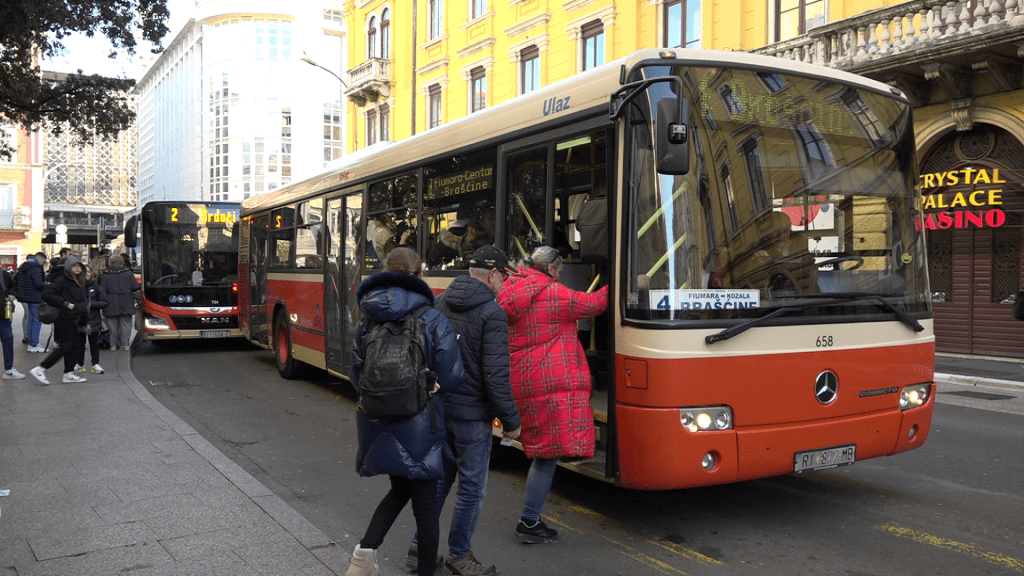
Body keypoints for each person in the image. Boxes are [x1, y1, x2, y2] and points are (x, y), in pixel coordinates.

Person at [346, 247, 465, 576]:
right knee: (426, 508)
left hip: (378, 420)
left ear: (387, 272)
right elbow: (453, 376)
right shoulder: (432, 317)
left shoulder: (368, 317)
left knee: (400, 488)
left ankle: (362, 559)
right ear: (420, 276)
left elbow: (357, 373)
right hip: (419, 423)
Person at [408, 246, 522, 576]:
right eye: (503, 276)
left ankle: (419, 548)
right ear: (492, 275)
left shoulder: (442, 301)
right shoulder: (492, 313)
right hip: (472, 417)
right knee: (473, 487)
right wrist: (512, 420)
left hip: (442, 408)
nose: (505, 283)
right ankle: (459, 555)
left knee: (441, 481)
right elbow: (496, 375)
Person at [497, 245, 609, 544]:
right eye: (559, 270)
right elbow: (594, 304)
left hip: (522, 379)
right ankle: (529, 522)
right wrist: (623, 282)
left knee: (541, 451)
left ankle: (530, 520)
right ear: (549, 269)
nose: (560, 275)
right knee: (546, 457)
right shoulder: (554, 293)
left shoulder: (511, 288)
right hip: (549, 380)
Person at [30, 256, 90, 385]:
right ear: (69, 268)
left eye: (79, 266)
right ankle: (41, 368)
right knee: (66, 345)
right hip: (64, 317)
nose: (77, 268)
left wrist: (84, 321)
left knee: (75, 346)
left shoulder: (78, 281)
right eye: (74, 266)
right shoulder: (62, 280)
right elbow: (47, 294)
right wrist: (65, 303)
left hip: (73, 318)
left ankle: (68, 374)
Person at [99, 255, 140, 351]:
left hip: (110, 303)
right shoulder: (128, 273)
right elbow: (134, 287)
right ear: (121, 262)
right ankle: (125, 345)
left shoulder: (105, 275)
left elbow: (102, 291)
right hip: (126, 301)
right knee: (126, 325)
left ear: (110, 263)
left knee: (112, 326)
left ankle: (113, 345)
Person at [75, 267, 109, 374]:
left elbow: (104, 302)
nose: (86, 275)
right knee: (79, 344)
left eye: (88, 272)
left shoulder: (95, 287)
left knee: (94, 344)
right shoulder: (75, 287)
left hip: (93, 321)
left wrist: (91, 305)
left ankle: (95, 364)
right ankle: (80, 364)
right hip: (80, 320)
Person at [15, 252, 47, 352]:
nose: (43, 264)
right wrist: (48, 285)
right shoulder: (36, 268)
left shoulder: (23, 266)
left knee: (31, 319)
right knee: (37, 320)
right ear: (40, 260)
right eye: (44, 262)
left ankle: (30, 342)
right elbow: (38, 284)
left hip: (26, 297)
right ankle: (34, 344)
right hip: (35, 297)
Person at [0, 265, 26, 380]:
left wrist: (12, 295)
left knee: (8, 339)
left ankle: (9, 370)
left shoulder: (3, 274)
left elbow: (13, 285)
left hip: (3, 314)